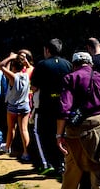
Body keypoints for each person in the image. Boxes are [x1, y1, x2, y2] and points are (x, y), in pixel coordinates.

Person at [56, 52, 100, 189]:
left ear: (74, 65)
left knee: (72, 169)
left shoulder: (70, 78)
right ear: (91, 64)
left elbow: (64, 109)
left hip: (78, 131)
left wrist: (59, 135)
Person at [30, 38, 72, 178]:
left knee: (40, 134)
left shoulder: (42, 65)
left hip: (45, 106)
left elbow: (34, 87)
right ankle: (62, 165)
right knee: (61, 135)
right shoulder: (68, 64)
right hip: (63, 106)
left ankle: (46, 164)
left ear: (47, 50)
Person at [0, 53, 31, 162]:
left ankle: (8, 147)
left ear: (13, 67)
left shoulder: (13, 77)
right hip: (25, 105)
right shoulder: (27, 74)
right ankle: (26, 153)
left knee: (11, 129)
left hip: (13, 106)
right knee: (24, 130)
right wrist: (24, 60)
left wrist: (11, 57)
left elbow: (1, 66)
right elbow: (30, 67)